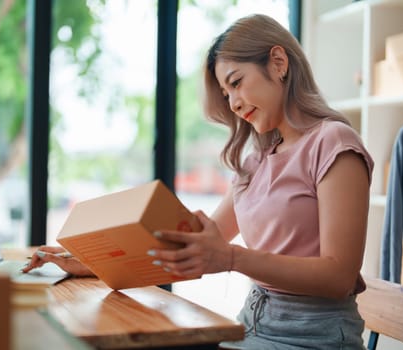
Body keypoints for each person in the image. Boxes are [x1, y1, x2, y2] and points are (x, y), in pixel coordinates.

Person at [24, 14, 374, 349]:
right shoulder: (257, 162)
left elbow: (338, 277)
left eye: (236, 83)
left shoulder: (333, 143)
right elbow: (187, 246)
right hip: (251, 327)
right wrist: (84, 261)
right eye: (226, 94)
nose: (234, 103)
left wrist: (232, 258)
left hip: (314, 338)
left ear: (278, 63)